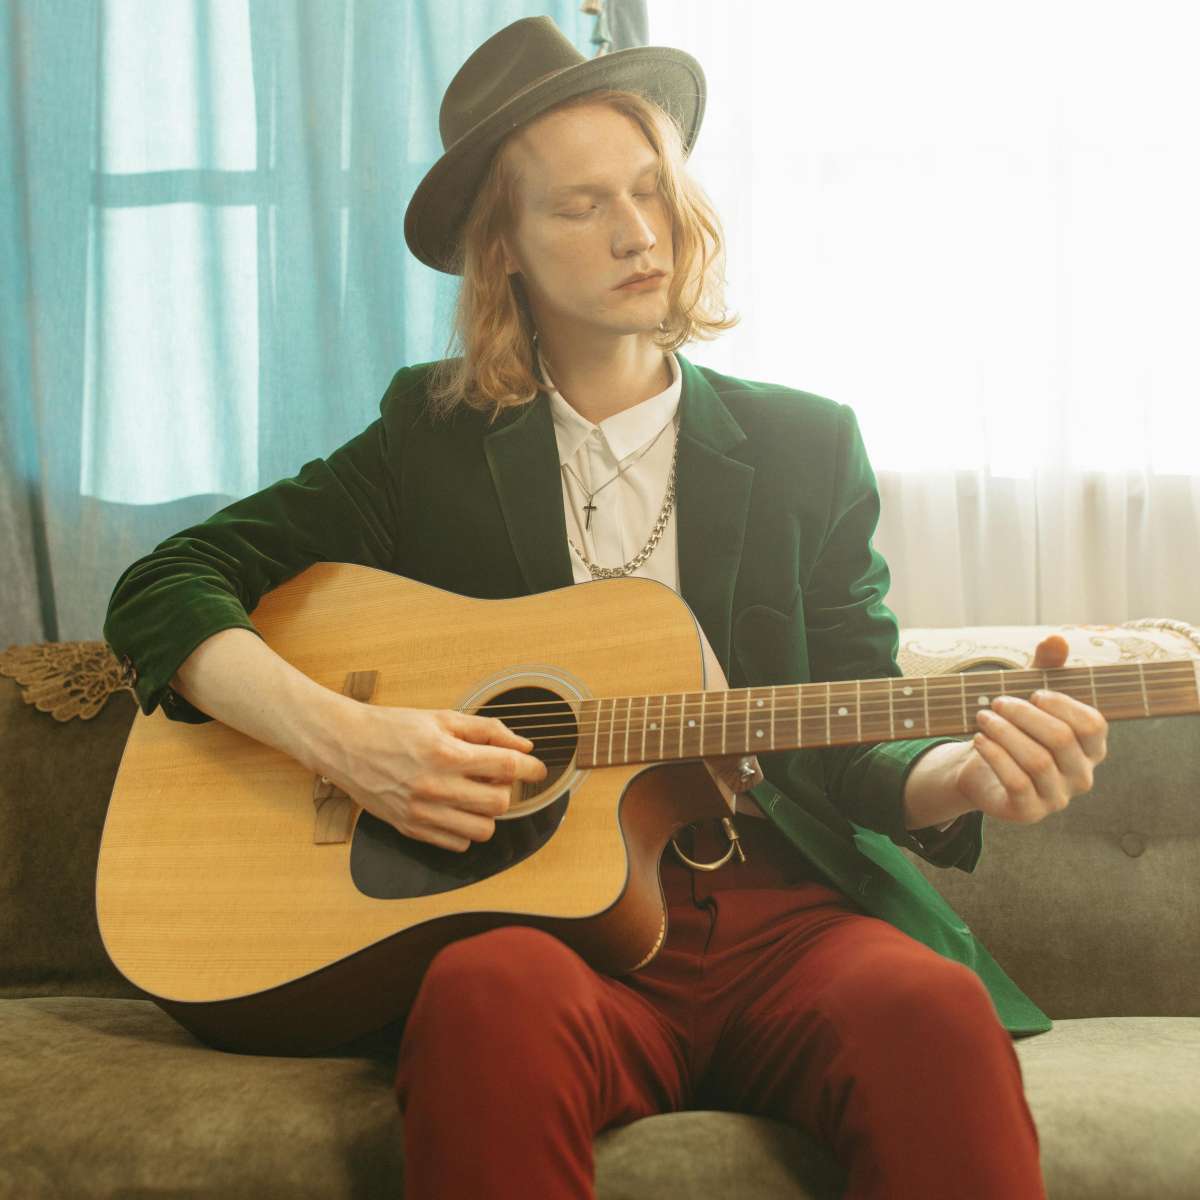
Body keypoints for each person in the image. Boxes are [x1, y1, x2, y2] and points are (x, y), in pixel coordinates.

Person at [103, 16, 1108, 1200]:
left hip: (778, 912)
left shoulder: (804, 445)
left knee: (930, 1010)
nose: (640, 233)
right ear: (506, 250)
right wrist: (352, 741)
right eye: (580, 206)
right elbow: (163, 586)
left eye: (649, 188)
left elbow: (854, 720)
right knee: (483, 1001)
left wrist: (967, 774)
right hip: (540, 932)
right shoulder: (427, 443)